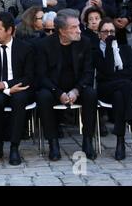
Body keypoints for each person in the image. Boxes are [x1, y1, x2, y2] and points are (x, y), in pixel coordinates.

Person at [36, 9, 97, 161]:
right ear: (62, 31)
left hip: (77, 88)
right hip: (54, 88)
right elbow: (41, 76)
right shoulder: (44, 45)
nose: (79, 30)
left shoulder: (85, 42)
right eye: (74, 27)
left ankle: (88, 141)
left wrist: (76, 91)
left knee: (91, 94)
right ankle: (53, 143)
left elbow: (88, 72)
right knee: (43, 96)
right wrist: (59, 93)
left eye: (78, 26)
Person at [0, 13, 34, 165]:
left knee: (19, 99)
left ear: (10, 30)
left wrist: (5, 85)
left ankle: (14, 147)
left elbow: (29, 77)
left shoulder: (25, 48)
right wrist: (6, 90)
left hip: (20, 88)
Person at [93, 18, 132, 160]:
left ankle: (120, 143)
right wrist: (110, 47)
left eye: (112, 31)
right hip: (105, 89)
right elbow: (108, 71)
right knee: (126, 84)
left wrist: (115, 76)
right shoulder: (96, 51)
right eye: (105, 32)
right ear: (99, 34)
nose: (109, 34)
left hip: (122, 89)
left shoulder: (125, 48)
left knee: (120, 95)